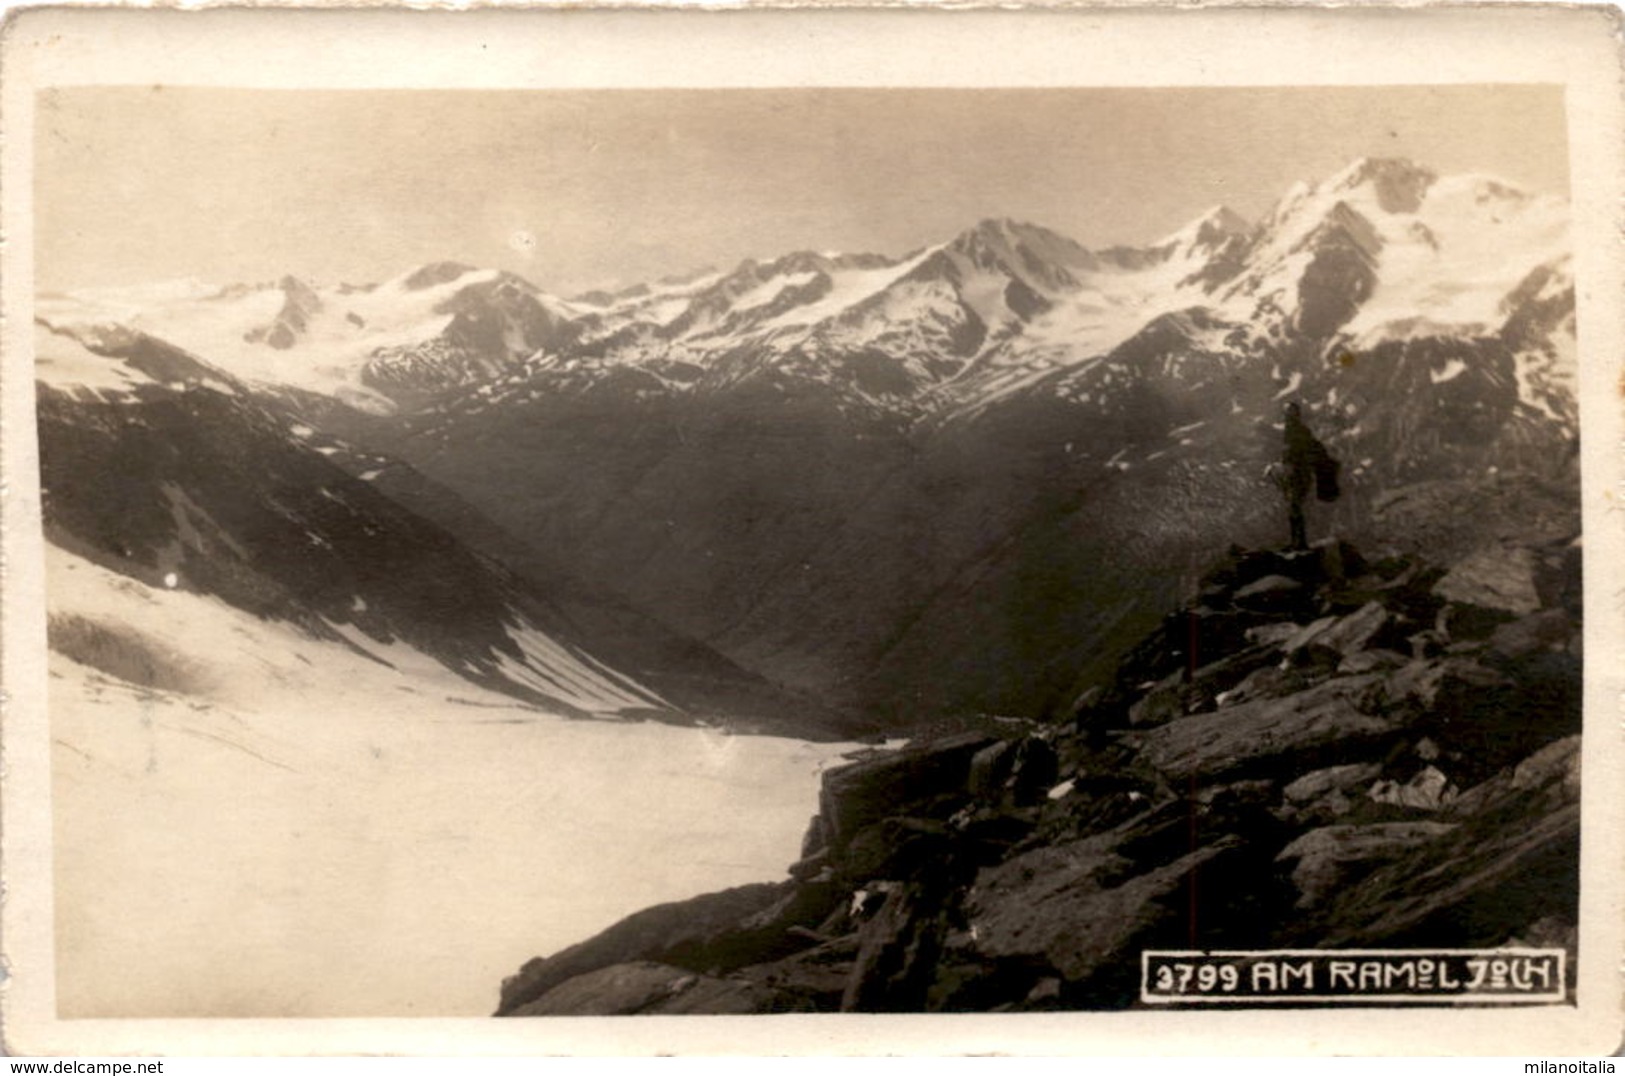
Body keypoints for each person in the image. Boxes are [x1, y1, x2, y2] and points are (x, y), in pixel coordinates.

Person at [1268, 402, 1338, 551]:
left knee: (1295, 506)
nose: (1287, 416)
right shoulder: (1297, 431)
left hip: (1299, 474)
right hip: (1298, 473)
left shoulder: (1296, 431)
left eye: (1289, 413)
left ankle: (1298, 542)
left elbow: (1296, 453)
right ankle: (1298, 541)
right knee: (1294, 507)